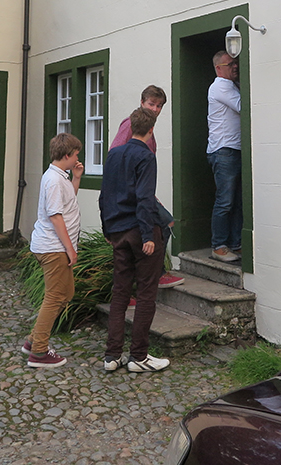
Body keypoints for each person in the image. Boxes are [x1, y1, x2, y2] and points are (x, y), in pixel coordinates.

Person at [100, 107, 170, 372]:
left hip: (117, 231)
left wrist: (108, 230)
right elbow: (144, 198)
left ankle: (112, 355)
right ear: (151, 130)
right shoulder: (146, 156)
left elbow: (104, 194)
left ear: (129, 128)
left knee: (119, 293)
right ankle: (139, 356)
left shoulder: (114, 154)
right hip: (141, 231)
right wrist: (146, 234)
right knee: (145, 293)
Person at [110, 85, 183, 291]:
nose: (155, 109)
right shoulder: (131, 125)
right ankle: (155, 275)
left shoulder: (149, 130)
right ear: (142, 103)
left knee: (163, 224)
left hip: (141, 192)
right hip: (132, 193)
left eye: (159, 106)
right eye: (151, 104)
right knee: (162, 224)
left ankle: (150, 275)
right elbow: (115, 154)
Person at [22, 132, 84, 368]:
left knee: (65, 294)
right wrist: (70, 249)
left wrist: (76, 178)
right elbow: (56, 216)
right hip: (53, 248)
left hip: (54, 247)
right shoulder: (54, 180)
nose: (78, 158)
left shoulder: (61, 177)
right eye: (76, 154)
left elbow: (67, 205)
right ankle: (38, 352)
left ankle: (32, 341)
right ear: (67, 155)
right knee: (55, 296)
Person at [207, 51, 242, 263]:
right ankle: (219, 246)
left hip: (233, 149)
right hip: (224, 150)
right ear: (219, 68)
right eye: (230, 64)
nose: (235, 67)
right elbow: (243, 106)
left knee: (236, 201)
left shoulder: (230, 86)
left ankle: (235, 243)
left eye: (236, 63)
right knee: (225, 201)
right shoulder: (221, 86)